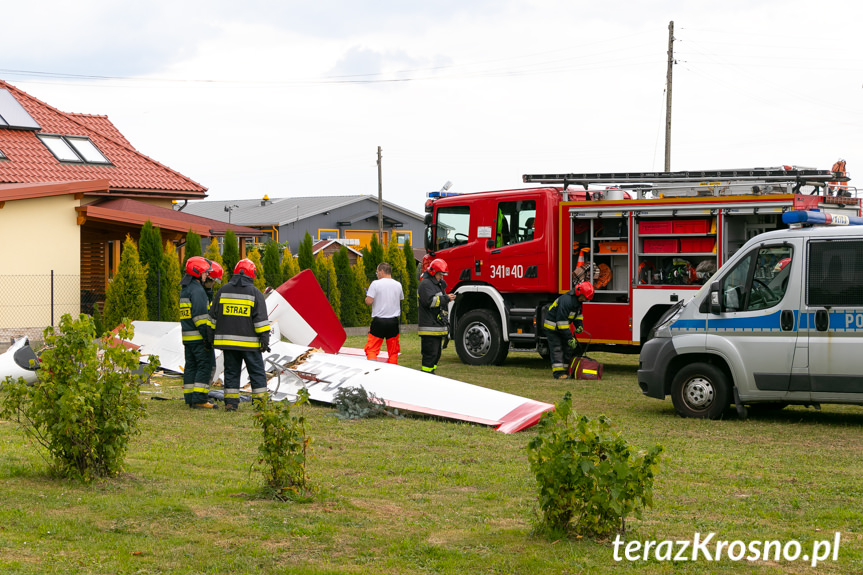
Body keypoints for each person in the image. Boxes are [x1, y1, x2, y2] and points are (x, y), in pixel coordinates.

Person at [207, 258, 270, 411]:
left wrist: (209, 337)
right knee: (256, 373)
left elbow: (212, 317)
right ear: (252, 274)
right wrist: (264, 340)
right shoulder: (255, 293)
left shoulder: (223, 291)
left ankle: (231, 403)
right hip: (250, 344)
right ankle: (260, 404)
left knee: (231, 372)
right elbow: (260, 320)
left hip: (228, 343)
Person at [180, 256, 217, 408]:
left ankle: (190, 397)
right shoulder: (197, 291)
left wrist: (207, 290)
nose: (207, 275)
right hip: (199, 338)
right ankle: (200, 399)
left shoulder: (186, 289)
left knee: (191, 366)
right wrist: (207, 338)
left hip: (188, 338)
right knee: (205, 366)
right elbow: (200, 318)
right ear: (197, 272)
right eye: (205, 273)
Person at [543, 281, 594, 379]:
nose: (587, 300)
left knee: (567, 348)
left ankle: (566, 371)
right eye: (586, 298)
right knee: (557, 349)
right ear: (580, 294)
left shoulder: (578, 301)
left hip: (562, 327)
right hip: (552, 328)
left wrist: (579, 325)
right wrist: (569, 338)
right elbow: (561, 322)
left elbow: (578, 315)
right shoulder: (567, 301)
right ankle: (558, 374)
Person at [417, 258, 456, 374]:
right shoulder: (425, 284)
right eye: (440, 274)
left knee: (436, 355)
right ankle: (426, 376)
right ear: (433, 272)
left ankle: (431, 374)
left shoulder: (437, 284)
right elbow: (430, 302)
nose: (441, 277)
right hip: (429, 328)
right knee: (430, 355)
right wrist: (446, 298)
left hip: (436, 326)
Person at [364, 262, 405, 364]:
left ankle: (372, 367)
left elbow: (368, 302)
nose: (377, 274)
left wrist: (368, 296)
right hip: (393, 322)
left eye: (377, 272)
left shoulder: (375, 284)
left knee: (372, 349)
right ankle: (392, 370)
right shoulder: (398, 284)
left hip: (379, 321)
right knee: (393, 351)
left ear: (381, 271)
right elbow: (400, 299)